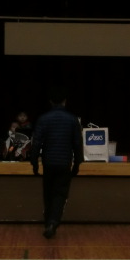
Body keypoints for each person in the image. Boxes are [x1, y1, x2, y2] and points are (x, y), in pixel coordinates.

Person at [30, 86, 84, 239]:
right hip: (64, 162)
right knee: (60, 194)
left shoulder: (43, 119)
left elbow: (36, 143)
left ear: (50, 102)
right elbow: (77, 143)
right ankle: (53, 222)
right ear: (65, 101)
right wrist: (77, 163)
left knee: (48, 193)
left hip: (48, 162)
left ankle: (48, 222)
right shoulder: (72, 119)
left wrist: (34, 163)